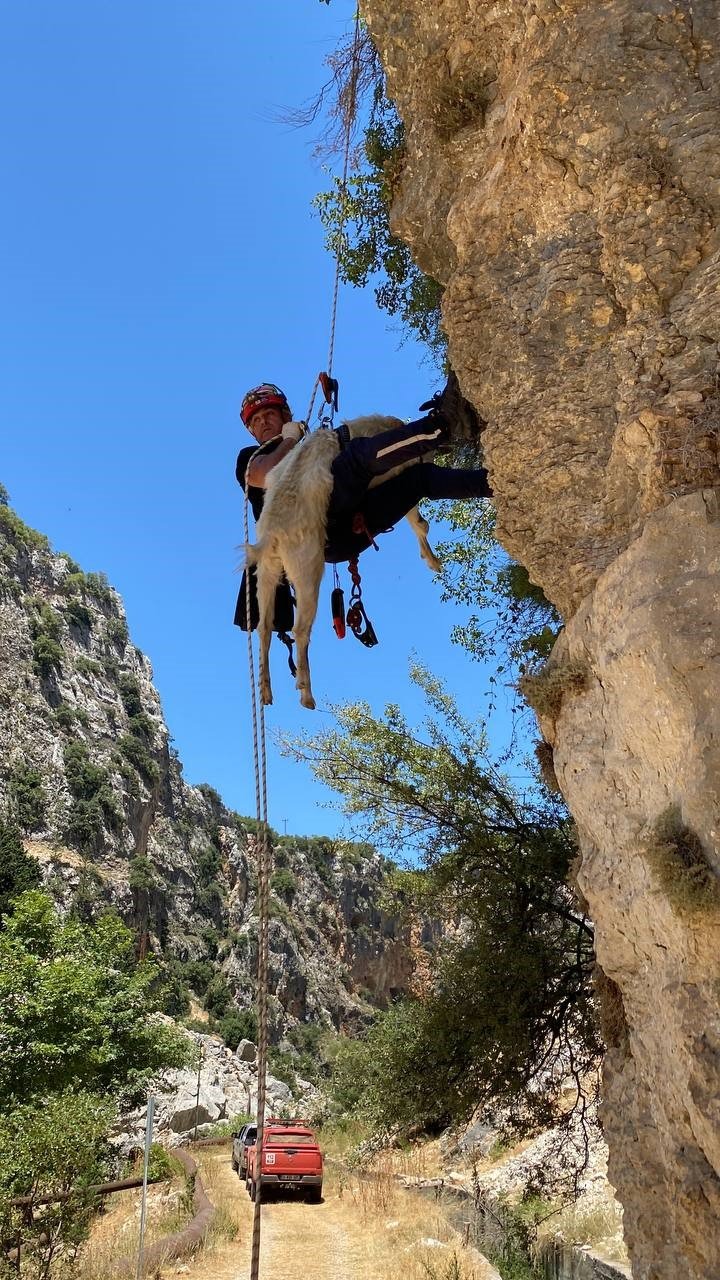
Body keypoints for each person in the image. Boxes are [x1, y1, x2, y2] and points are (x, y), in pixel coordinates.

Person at [235, 379, 492, 568]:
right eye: (255, 421)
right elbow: (266, 475)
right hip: (318, 527)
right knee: (357, 458)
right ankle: (445, 424)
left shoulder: (307, 449)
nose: (263, 422)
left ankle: (493, 483)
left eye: (268, 414)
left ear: (286, 416)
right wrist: (290, 438)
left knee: (419, 480)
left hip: (339, 535)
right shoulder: (251, 457)